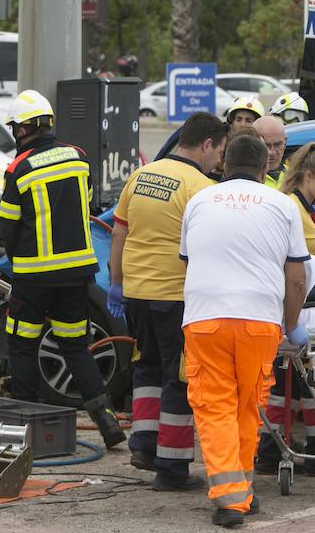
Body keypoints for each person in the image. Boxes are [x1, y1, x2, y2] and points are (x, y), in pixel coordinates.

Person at [180, 134, 309, 528]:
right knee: (248, 405)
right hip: (259, 318)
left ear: (222, 164)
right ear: (265, 168)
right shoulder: (283, 205)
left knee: (214, 405)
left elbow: (188, 260)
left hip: (205, 318)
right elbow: (297, 277)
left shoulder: (199, 200)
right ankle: (240, 493)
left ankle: (231, 497)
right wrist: (291, 324)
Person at [0, 89, 126, 449]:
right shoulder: (79, 158)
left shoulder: (19, 169)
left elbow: (9, 226)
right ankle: (107, 421)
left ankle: (22, 431)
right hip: (77, 276)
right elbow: (82, 205)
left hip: (34, 277)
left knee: (22, 345)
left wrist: (19, 262)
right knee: (76, 348)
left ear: (22, 130)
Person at [109, 112, 228, 491]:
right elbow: (203, 249)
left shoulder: (141, 175)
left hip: (136, 294)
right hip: (175, 296)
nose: (219, 161)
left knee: (146, 368)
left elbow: (118, 235)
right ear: (206, 144)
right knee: (179, 378)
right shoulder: (198, 186)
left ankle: (143, 445)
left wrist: (116, 283)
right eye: (219, 151)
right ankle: (172, 469)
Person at [256, 142, 315, 476]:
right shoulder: (291, 208)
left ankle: (280, 451)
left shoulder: (303, 206)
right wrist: (292, 320)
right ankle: (314, 452)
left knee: (294, 383)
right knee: (304, 382)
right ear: (308, 175)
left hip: (299, 307)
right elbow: (292, 267)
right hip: (293, 308)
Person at [253, 116, 288, 189]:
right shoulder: (245, 181)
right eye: (266, 145)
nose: (272, 152)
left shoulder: (294, 177)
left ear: (285, 142)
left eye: (278, 145)